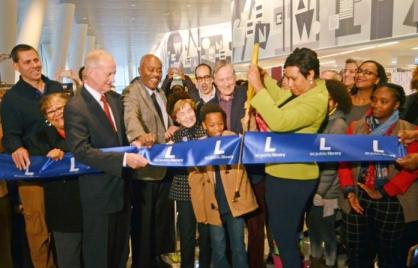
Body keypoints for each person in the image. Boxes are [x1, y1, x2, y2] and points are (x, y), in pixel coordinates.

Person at [64, 49, 148, 268]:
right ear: (91, 73)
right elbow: (81, 150)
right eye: (109, 74)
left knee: (120, 254)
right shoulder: (76, 106)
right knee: (99, 256)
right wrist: (123, 160)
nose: (113, 79)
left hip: (122, 191)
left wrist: (133, 145)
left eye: (114, 74)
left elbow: (118, 138)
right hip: (98, 195)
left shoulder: (114, 99)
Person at [247, 47, 329, 268]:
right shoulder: (305, 93)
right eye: (287, 78)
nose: (290, 84)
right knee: (283, 234)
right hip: (279, 171)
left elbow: (280, 121)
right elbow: (283, 98)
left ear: (310, 75)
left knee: (283, 237)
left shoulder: (317, 99)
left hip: (294, 176)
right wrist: (265, 79)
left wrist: (257, 87)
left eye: (294, 79)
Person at [338, 83, 418, 267]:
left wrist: (384, 191)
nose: (376, 105)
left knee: (390, 256)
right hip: (358, 198)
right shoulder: (356, 127)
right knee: (357, 255)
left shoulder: (408, 131)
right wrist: (349, 191)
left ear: (396, 104)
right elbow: (343, 162)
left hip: (394, 200)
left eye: (384, 101)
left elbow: (412, 170)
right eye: (374, 99)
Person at [1, 43, 64, 268]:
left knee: (64, 232)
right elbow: (10, 135)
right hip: (33, 175)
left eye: (36, 59)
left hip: (63, 170)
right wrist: (17, 147)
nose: (35, 65)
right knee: (38, 233)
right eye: (27, 62)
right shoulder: (12, 99)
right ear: (16, 66)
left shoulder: (56, 87)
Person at [123, 54, 178, 268]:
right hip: (144, 172)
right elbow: (131, 118)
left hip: (164, 169)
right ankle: (143, 262)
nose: (156, 74)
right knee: (143, 224)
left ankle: (157, 258)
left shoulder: (161, 93)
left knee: (160, 221)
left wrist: (172, 127)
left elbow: (164, 123)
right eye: (151, 69)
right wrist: (139, 136)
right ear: (140, 70)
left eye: (159, 69)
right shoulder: (132, 92)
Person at [188, 103, 258, 268]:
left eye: (220, 123)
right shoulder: (200, 145)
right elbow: (193, 175)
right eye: (212, 125)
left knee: (238, 246)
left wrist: (250, 122)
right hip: (213, 205)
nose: (217, 128)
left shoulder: (232, 139)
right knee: (218, 248)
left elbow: (251, 143)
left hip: (234, 204)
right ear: (204, 125)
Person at [24, 93, 82, 268]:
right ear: (46, 117)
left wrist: (62, 149)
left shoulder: (86, 128)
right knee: (68, 258)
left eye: (60, 108)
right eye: (50, 111)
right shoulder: (38, 138)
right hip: (63, 210)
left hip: (91, 204)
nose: (56, 114)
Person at [307, 79, 352, 268]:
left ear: (335, 101)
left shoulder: (338, 124)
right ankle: (316, 259)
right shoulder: (321, 119)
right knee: (314, 229)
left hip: (328, 192)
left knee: (327, 231)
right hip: (315, 188)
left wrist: (319, 191)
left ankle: (330, 262)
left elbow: (332, 163)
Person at [166, 92, 211, 268]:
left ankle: (206, 264)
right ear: (176, 119)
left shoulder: (205, 130)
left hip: (205, 188)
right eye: (182, 114)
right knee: (186, 234)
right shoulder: (174, 137)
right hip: (184, 190)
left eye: (189, 111)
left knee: (206, 233)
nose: (187, 116)